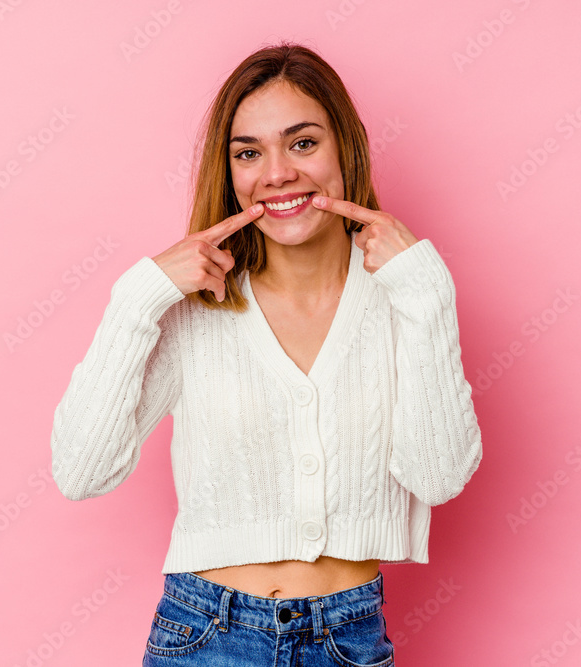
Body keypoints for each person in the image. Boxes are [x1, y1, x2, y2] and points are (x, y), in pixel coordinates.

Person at [50, 41, 482, 666]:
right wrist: (137, 299)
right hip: (204, 636)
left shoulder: (404, 296)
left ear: (346, 149)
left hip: (349, 640)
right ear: (230, 172)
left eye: (302, 143)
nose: (276, 173)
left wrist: (429, 296)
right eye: (249, 153)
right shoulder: (198, 307)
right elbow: (81, 470)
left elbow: (437, 477)